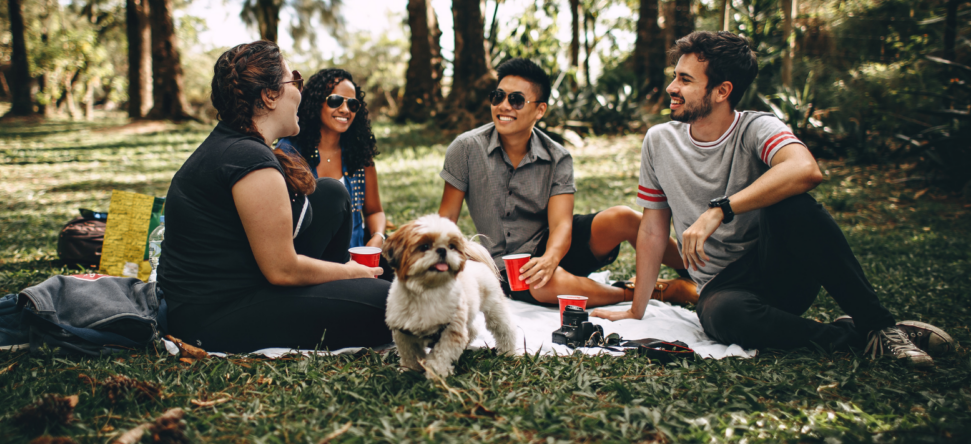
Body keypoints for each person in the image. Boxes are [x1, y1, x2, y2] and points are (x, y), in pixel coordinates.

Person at [593, 31, 954, 366]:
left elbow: (805, 169)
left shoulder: (757, 127)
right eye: (676, 75)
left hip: (780, 268)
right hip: (723, 289)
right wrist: (636, 309)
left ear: (722, 91)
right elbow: (653, 230)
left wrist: (721, 209)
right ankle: (860, 337)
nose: (672, 86)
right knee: (723, 317)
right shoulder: (659, 141)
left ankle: (880, 324)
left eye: (685, 80)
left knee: (793, 204)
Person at [158, 41, 392, 353]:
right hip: (213, 314)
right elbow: (282, 270)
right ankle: (351, 290)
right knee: (390, 304)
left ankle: (346, 290)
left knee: (331, 194)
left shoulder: (240, 144)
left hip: (249, 281)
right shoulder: (247, 159)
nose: (300, 91)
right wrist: (352, 271)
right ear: (269, 96)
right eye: (294, 80)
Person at [437, 58, 697, 307]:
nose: (504, 106)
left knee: (624, 217)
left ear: (540, 110)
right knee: (543, 284)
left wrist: (550, 258)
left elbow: (561, 223)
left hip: (555, 246)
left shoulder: (557, 157)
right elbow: (446, 218)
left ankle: (699, 274)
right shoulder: (466, 149)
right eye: (498, 96)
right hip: (507, 266)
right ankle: (652, 291)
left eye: (516, 100)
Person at [275, 68, 386, 250]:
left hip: (356, 259)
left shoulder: (358, 154)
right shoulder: (289, 153)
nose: (345, 110)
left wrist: (377, 237)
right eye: (335, 101)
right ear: (316, 103)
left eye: (352, 104)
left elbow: (374, 211)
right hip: (309, 261)